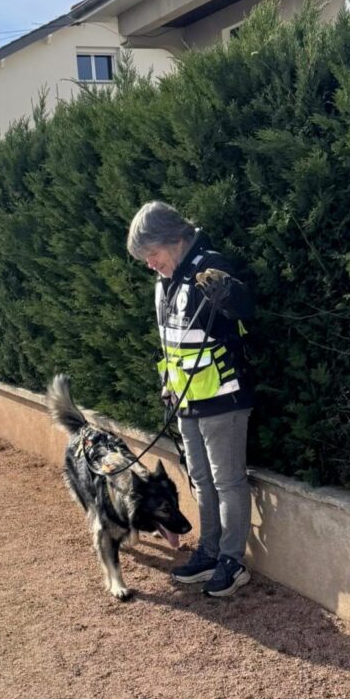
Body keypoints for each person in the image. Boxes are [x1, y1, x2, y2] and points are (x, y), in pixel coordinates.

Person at [127, 200, 254, 597]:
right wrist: (169, 384)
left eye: (152, 254)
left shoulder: (210, 267)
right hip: (186, 400)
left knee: (227, 480)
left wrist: (230, 294)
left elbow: (246, 310)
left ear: (174, 240)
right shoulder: (166, 280)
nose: (150, 263)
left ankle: (232, 561)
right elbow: (172, 345)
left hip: (223, 395)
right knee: (200, 479)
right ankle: (210, 550)